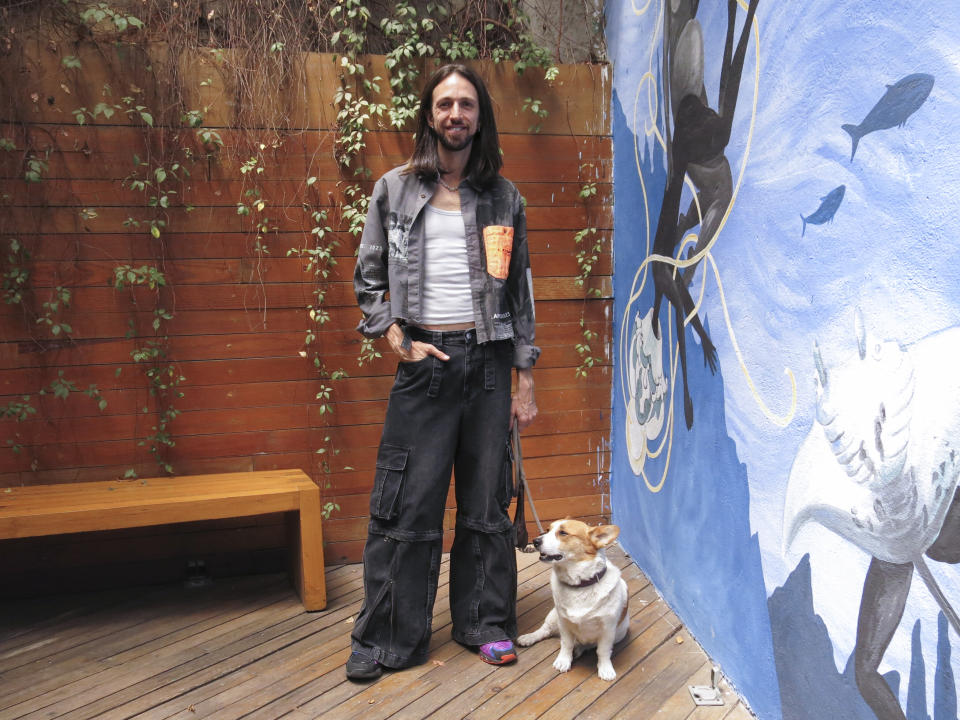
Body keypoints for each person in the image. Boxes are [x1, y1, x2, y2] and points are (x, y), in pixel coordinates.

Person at [346, 63, 540, 681]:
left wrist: (523, 378)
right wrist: (397, 338)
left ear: (480, 118)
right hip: (425, 364)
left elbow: (520, 294)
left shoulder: (504, 197)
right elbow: (369, 280)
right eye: (444, 104)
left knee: (487, 502)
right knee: (405, 503)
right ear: (429, 115)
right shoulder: (394, 190)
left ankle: (484, 624)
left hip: (487, 365)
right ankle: (388, 640)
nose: (455, 114)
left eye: (467, 105)